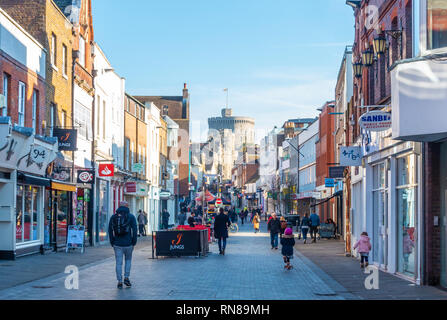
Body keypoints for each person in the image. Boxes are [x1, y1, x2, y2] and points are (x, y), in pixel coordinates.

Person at [108, 201, 138, 289]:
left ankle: (119, 281)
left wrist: (112, 242)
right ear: (127, 206)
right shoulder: (131, 217)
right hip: (128, 244)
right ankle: (126, 277)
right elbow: (135, 230)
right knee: (128, 260)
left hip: (117, 244)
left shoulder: (113, 217)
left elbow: (110, 230)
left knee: (118, 263)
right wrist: (134, 242)